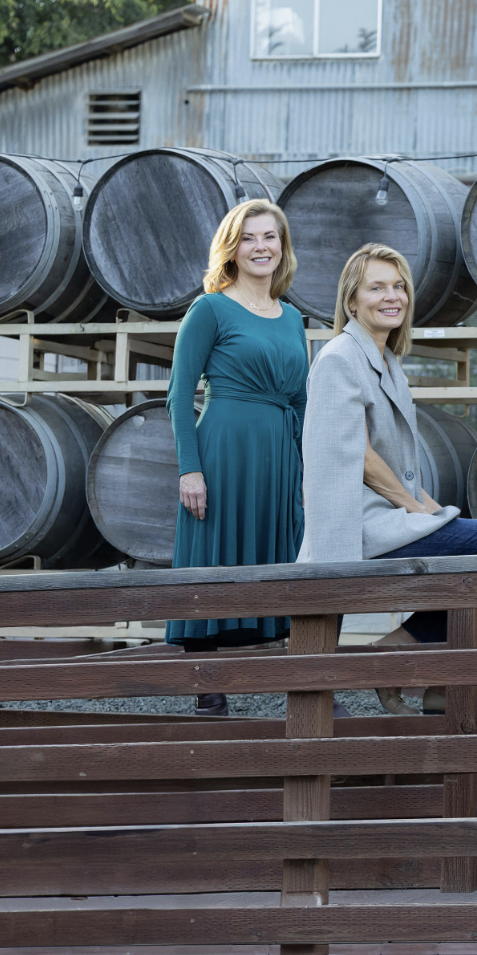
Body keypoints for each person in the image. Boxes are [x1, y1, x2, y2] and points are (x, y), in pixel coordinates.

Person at [298, 243, 477, 715]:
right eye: (376, 287)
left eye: (398, 286)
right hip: (355, 525)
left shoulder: (387, 362)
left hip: (383, 514)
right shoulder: (340, 357)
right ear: (351, 300)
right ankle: (420, 673)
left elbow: (402, 468)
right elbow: (359, 456)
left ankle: (421, 674)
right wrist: (416, 510)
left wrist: (431, 510)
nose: (391, 295)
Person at [166, 199, 307, 717]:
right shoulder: (210, 309)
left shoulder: (293, 318)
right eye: (249, 238)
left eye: (270, 237)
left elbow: (301, 401)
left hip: (279, 452)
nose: (260, 247)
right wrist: (190, 467)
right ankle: (208, 689)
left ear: (282, 247)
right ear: (232, 247)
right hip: (223, 450)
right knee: (212, 555)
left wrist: (307, 469)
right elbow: (180, 395)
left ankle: (296, 682)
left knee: (280, 557)